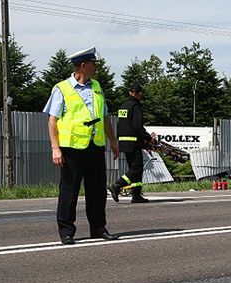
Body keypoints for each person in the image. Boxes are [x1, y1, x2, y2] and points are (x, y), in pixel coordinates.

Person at [43, 47, 120, 245]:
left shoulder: (97, 87)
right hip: (72, 149)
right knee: (69, 191)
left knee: (97, 191)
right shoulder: (62, 88)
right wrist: (55, 148)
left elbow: (105, 117)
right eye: (94, 64)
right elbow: (53, 120)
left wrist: (113, 141)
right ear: (84, 65)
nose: (96, 68)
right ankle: (66, 231)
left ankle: (98, 228)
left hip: (95, 146)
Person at [108, 83, 154, 203]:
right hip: (133, 142)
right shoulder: (136, 106)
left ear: (129, 92)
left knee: (135, 169)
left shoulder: (123, 106)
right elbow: (137, 126)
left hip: (124, 141)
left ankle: (136, 195)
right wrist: (147, 138)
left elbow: (121, 124)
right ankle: (117, 185)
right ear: (139, 94)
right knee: (137, 168)